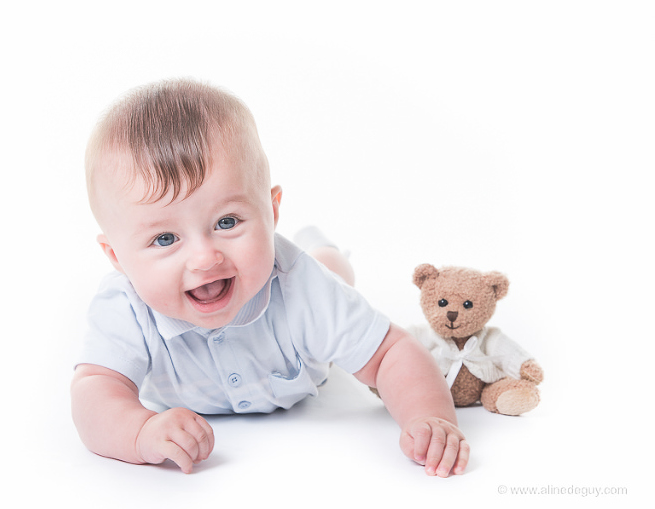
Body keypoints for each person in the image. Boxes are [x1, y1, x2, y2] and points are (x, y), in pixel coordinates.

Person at [71, 79, 469, 477]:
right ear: (116, 257)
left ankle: (325, 251)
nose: (205, 258)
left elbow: (391, 353)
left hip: (312, 286)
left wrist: (429, 419)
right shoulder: (124, 307)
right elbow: (95, 393)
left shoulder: (303, 287)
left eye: (227, 222)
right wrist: (139, 430)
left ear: (271, 210)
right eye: (165, 238)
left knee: (329, 271)